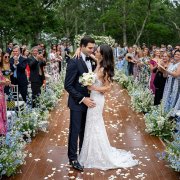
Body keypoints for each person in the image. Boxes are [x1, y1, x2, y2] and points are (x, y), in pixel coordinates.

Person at [78, 44, 138, 170]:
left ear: (103, 54)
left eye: (98, 51)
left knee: (95, 123)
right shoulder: (99, 63)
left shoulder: (105, 68)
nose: (95, 52)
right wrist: (80, 50)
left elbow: (108, 88)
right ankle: (91, 151)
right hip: (93, 97)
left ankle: (98, 153)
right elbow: (91, 55)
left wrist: (93, 87)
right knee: (92, 124)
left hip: (97, 99)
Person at [64, 36, 96, 171]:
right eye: (89, 48)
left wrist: (91, 55)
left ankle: (83, 154)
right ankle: (73, 158)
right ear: (81, 46)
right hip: (78, 103)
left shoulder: (90, 59)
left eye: (93, 48)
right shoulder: (74, 62)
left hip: (90, 101)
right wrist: (83, 99)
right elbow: (68, 86)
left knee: (84, 129)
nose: (92, 50)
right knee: (75, 131)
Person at [0, 58, 11, 135]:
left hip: (8, 85)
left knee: (11, 99)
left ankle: (12, 111)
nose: (6, 58)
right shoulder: (3, 65)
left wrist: (7, 79)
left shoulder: (10, 63)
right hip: (3, 86)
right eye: (5, 57)